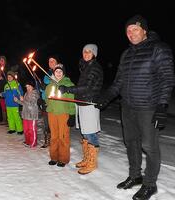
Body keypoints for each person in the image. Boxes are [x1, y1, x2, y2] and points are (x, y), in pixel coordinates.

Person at [96, 15, 174, 200]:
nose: (131, 34)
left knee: (149, 146)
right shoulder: (126, 54)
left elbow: (167, 79)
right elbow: (119, 82)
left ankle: (150, 184)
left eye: (135, 29)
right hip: (128, 107)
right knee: (131, 142)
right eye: (128, 31)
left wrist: (162, 106)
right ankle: (135, 175)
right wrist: (106, 97)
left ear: (144, 30)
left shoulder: (159, 49)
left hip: (148, 107)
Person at [59, 43, 103, 174]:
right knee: (84, 132)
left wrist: (68, 89)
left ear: (94, 54)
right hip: (82, 103)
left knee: (90, 133)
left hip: (90, 104)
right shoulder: (86, 67)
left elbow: (87, 87)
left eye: (89, 52)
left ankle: (92, 162)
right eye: (84, 52)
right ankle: (86, 158)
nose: (86, 54)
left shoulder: (94, 68)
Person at [45, 64, 75, 167]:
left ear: (63, 73)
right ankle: (54, 157)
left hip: (63, 114)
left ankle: (63, 159)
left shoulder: (68, 85)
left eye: (60, 71)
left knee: (63, 136)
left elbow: (71, 101)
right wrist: (45, 104)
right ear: (53, 73)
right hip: (52, 113)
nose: (58, 73)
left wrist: (72, 115)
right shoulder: (49, 85)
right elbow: (47, 99)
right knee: (54, 137)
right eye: (56, 71)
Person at [39, 55, 61, 148]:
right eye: (49, 61)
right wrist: (41, 91)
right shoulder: (46, 73)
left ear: (57, 62)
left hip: (54, 101)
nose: (51, 63)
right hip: (46, 100)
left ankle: (55, 140)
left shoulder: (59, 72)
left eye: (53, 61)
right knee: (46, 121)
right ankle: (47, 139)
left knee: (55, 122)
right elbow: (43, 87)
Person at [14, 81, 40, 148]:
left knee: (32, 130)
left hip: (32, 115)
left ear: (32, 86)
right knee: (26, 130)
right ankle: (28, 141)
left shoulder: (35, 94)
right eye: (27, 86)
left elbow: (31, 103)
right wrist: (17, 101)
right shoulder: (26, 93)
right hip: (25, 114)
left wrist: (23, 100)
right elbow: (24, 104)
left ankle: (33, 143)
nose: (28, 88)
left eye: (29, 86)